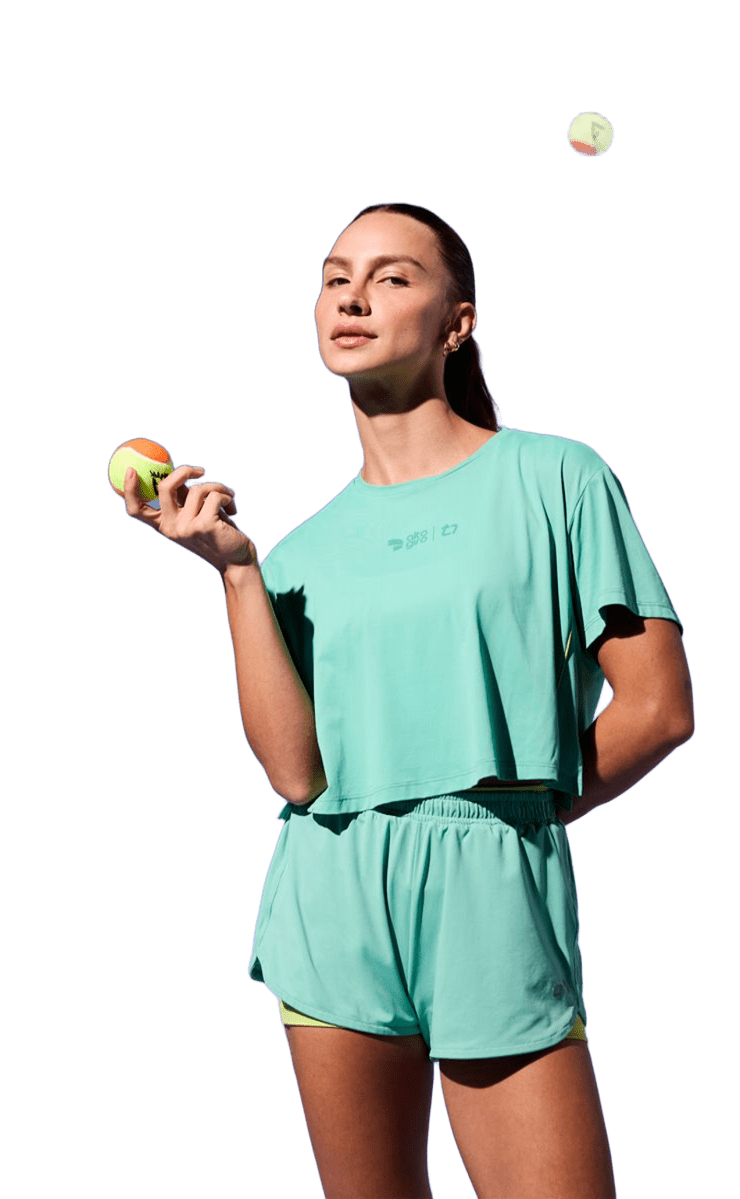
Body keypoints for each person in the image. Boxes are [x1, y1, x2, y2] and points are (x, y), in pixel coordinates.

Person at [123, 202, 695, 1199]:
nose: (351, 295)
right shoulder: (295, 553)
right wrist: (237, 572)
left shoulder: (556, 477)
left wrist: (511, 816)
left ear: (456, 322)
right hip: (329, 894)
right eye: (335, 276)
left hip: (494, 880)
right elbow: (295, 772)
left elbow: (659, 706)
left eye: (391, 276)